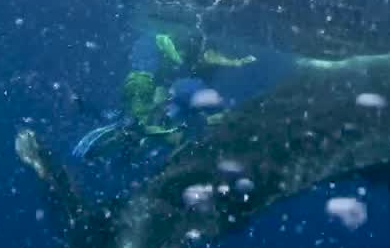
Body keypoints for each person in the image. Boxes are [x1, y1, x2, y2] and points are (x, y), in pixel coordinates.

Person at [72, 29, 254, 159]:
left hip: (175, 95)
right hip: (175, 96)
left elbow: (157, 127)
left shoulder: (138, 121)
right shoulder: (138, 119)